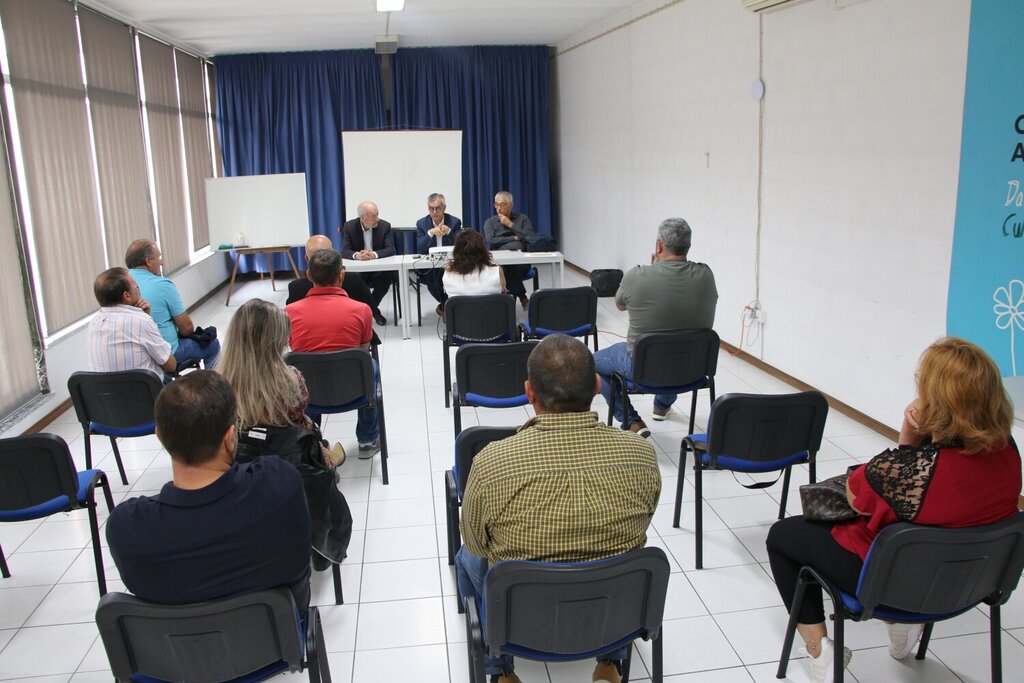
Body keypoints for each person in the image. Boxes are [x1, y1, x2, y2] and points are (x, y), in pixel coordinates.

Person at [765, 337, 1021, 683]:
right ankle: (902, 626)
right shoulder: (1008, 452)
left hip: (890, 582)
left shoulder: (909, 472)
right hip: (970, 583)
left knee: (783, 535)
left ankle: (819, 650)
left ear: (936, 401)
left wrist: (908, 439)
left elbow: (856, 497)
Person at [457, 335, 661, 683]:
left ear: (529, 392)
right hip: (612, 599)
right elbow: (644, 521)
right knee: (621, 554)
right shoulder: (640, 454)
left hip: (522, 613)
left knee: (466, 557)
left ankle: (499, 669)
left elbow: (477, 543)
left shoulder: (491, 462)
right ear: (596, 385)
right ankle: (610, 662)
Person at [105, 371, 312, 610]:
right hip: (274, 632)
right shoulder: (279, 486)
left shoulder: (126, 529)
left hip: (180, 636)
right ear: (230, 438)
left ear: (159, 436)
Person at [219, 298, 352, 570]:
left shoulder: (219, 386)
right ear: (275, 341)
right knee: (314, 442)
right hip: (293, 463)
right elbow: (298, 416)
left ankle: (330, 456)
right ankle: (330, 462)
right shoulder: (290, 379)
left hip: (242, 468)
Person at [593, 218, 717, 438]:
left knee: (590, 363)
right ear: (688, 246)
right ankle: (661, 406)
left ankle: (632, 421)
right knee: (676, 351)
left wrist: (652, 268)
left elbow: (620, 305)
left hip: (642, 368)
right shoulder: (706, 275)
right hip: (693, 368)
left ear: (659, 246)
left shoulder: (637, 275)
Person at [285, 247, 381, 460]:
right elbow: (362, 350)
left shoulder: (289, 312)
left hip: (311, 392)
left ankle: (311, 439)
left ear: (309, 275)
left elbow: (294, 350)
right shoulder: (362, 310)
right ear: (341, 275)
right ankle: (367, 440)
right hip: (352, 390)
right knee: (371, 365)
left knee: (300, 370)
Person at [125, 239, 221, 369]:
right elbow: (186, 328)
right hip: (166, 354)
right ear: (148, 261)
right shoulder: (162, 285)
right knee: (212, 345)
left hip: (135, 357)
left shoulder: (122, 284)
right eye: (159, 257)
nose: (161, 262)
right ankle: (213, 383)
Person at [288, 233, 380, 346]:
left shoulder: (294, 292)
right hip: (354, 347)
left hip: (305, 356)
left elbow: (290, 337)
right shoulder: (354, 281)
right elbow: (371, 307)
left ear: (309, 274)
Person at [87, 267, 176, 379]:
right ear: (127, 296)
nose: (138, 289)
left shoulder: (93, 323)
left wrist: (143, 315)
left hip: (104, 390)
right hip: (145, 390)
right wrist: (145, 318)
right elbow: (170, 365)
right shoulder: (142, 321)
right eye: (136, 286)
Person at [340, 200, 395, 326]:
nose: (377, 218)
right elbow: (345, 251)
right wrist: (357, 255)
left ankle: (368, 311)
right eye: (374, 216)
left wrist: (373, 255)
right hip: (359, 269)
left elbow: (391, 249)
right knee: (354, 281)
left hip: (378, 268)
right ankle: (375, 312)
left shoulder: (384, 226)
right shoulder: (349, 227)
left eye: (377, 214)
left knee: (385, 278)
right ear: (363, 218)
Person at [482, 191, 534, 309]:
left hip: (521, 261)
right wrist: (514, 238)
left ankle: (508, 301)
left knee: (509, 267)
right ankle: (523, 297)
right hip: (500, 262)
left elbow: (529, 236)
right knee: (507, 266)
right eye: (496, 204)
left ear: (511, 204)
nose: (498, 208)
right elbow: (491, 240)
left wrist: (511, 224)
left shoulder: (522, 219)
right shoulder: (490, 222)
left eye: (502, 204)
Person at [414, 192, 462, 316]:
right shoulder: (422, 223)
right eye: (431, 208)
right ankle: (448, 307)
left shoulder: (455, 222)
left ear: (444, 208)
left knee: (458, 281)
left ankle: (445, 308)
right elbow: (420, 248)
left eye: (437, 208)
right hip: (431, 265)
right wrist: (430, 233)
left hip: (451, 262)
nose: (434, 212)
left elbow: (460, 245)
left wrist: (449, 232)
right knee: (433, 284)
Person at [442, 228, 505, 298]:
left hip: (460, 306)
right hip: (491, 305)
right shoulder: (496, 272)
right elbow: (502, 291)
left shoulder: (448, 274)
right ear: (482, 249)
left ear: (456, 250)